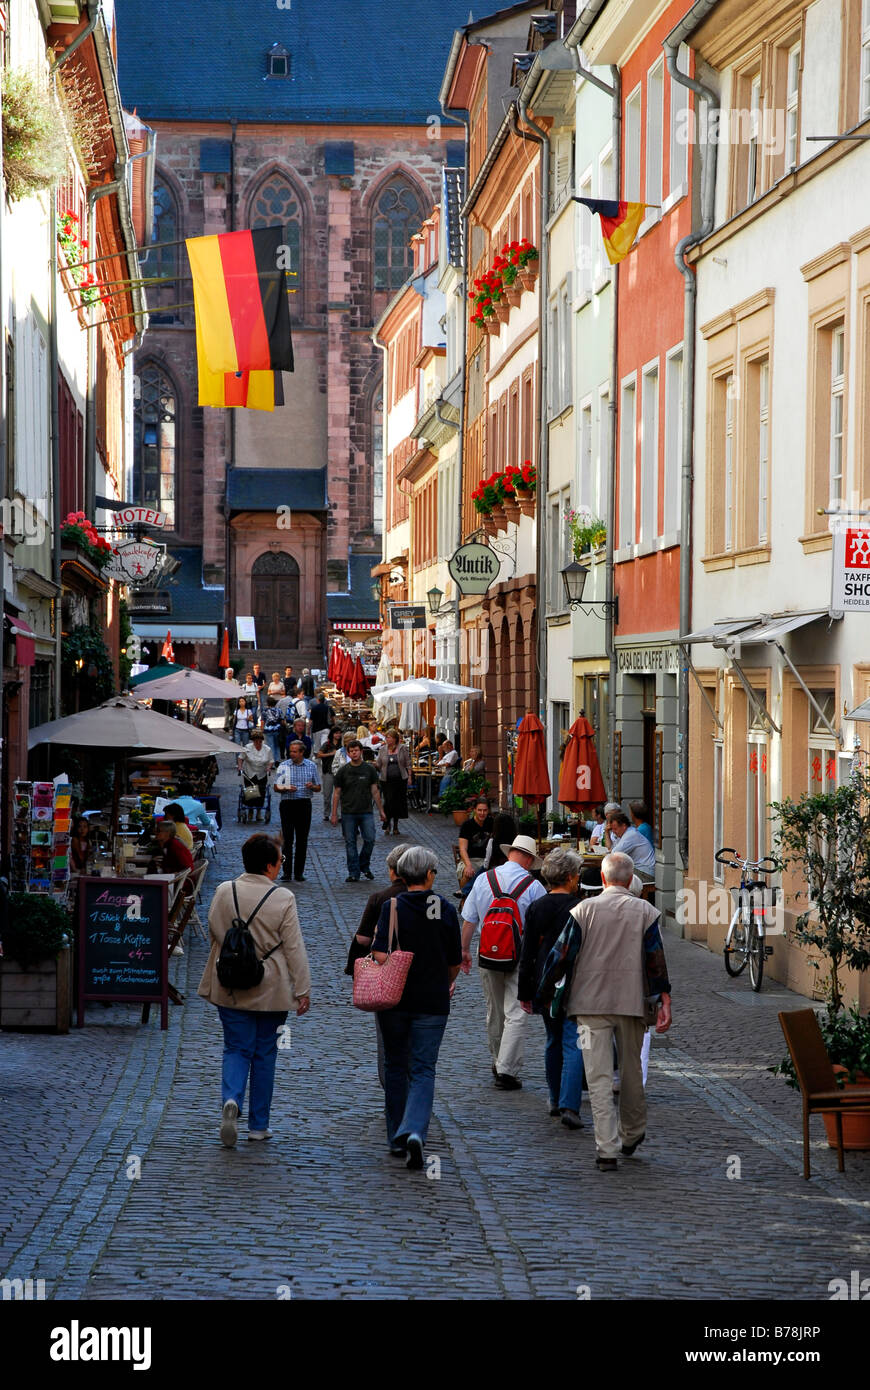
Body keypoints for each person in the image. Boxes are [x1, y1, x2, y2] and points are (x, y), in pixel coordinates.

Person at [198, 834, 311, 1145]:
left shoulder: (224, 891)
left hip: (231, 982)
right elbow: (294, 947)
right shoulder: (283, 898)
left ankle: (231, 1099)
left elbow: (213, 931)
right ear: (270, 865)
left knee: (235, 1047)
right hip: (271, 987)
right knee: (265, 1054)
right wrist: (303, 988)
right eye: (280, 861)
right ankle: (258, 1126)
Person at [564, 851, 672, 1171]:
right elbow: (655, 961)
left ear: (602, 879)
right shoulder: (646, 912)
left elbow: (562, 955)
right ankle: (633, 1132)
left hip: (589, 1004)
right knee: (630, 1071)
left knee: (597, 1078)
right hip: (632, 1002)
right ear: (630, 880)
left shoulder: (582, 909)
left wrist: (544, 994)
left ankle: (606, 1149)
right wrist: (664, 999)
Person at [372, 846, 462, 1168]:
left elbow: (380, 954)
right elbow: (454, 961)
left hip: (395, 1001)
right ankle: (414, 1131)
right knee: (423, 1069)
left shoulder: (392, 906)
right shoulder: (445, 908)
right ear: (429, 875)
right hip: (432, 1002)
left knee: (395, 1065)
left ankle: (396, 1135)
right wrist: (443, 977)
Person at [460, 834, 546, 1089]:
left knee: (494, 1011)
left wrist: (464, 950)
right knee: (516, 1011)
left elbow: (469, 920)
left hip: (487, 953)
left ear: (511, 854)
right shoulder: (533, 886)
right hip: (521, 955)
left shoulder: (484, 879)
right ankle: (507, 1069)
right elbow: (540, 929)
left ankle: (498, 1060)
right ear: (529, 860)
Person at [517, 848, 585, 1127]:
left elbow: (528, 952)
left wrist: (524, 991)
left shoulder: (537, 907)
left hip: (545, 984)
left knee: (553, 1039)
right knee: (574, 1042)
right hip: (576, 982)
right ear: (570, 877)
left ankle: (555, 1099)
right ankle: (570, 1104)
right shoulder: (581, 907)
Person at [331, 740, 387, 882]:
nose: (354, 753)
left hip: (366, 811)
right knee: (350, 842)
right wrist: (333, 813)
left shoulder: (369, 770)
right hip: (348, 812)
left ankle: (363, 864)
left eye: (356, 750)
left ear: (361, 751)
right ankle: (354, 872)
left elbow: (375, 791)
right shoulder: (343, 771)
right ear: (348, 753)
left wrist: (381, 810)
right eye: (351, 751)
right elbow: (336, 793)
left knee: (370, 839)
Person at [274, 741, 321, 882]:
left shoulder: (311, 766)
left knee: (302, 840)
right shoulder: (284, 766)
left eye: (295, 751)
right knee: (287, 840)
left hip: (304, 805)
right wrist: (286, 788)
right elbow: (276, 787)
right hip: (288, 804)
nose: (291, 754)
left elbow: (318, 787)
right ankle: (286, 872)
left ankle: (299, 872)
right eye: (291, 751)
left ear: (302, 752)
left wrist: (312, 786)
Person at [375, 729, 411, 834]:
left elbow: (408, 763)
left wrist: (409, 777)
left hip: (400, 779)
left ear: (395, 739)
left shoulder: (402, 748)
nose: (387, 739)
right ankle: (387, 823)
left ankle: (395, 825)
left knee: (397, 802)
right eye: (386, 737)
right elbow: (379, 764)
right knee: (388, 801)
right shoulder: (382, 749)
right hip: (386, 780)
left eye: (389, 737)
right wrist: (374, 765)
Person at [237, 729, 273, 823]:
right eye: (256, 741)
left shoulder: (267, 749)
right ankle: (250, 810)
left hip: (262, 774)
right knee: (251, 793)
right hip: (250, 773)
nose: (258, 743)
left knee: (261, 793)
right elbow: (240, 758)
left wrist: (269, 768)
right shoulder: (247, 748)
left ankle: (258, 812)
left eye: (260, 741)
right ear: (253, 741)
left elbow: (271, 761)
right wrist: (240, 767)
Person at [456, 798, 493, 889]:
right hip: (470, 859)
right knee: (467, 873)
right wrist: (468, 865)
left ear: (488, 811)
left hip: (487, 860)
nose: (482, 813)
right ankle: (464, 898)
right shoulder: (467, 825)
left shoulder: (492, 823)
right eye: (479, 810)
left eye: (485, 810)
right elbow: (463, 849)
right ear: (474, 810)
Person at [606, 810, 656, 875]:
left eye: (615, 829)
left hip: (645, 873)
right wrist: (607, 832)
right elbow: (610, 848)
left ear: (624, 826)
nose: (613, 831)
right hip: (642, 870)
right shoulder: (628, 832)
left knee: (613, 874)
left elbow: (614, 854)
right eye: (612, 829)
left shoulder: (631, 835)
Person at [316, 726, 345, 822]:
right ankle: (326, 814)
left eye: (339, 733)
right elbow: (319, 755)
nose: (338, 735)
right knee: (327, 795)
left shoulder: (342, 745)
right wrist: (331, 754)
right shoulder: (327, 745)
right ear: (332, 734)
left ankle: (340, 815)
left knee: (340, 795)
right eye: (336, 733)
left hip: (340, 772)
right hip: (328, 771)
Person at [262, 700, 285, 765]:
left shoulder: (265, 711)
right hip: (277, 729)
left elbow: (263, 721)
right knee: (277, 745)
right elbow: (282, 720)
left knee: (270, 746)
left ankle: (271, 761)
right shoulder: (279, 710)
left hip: (268, 730)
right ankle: (277, 759)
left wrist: (262, 730)